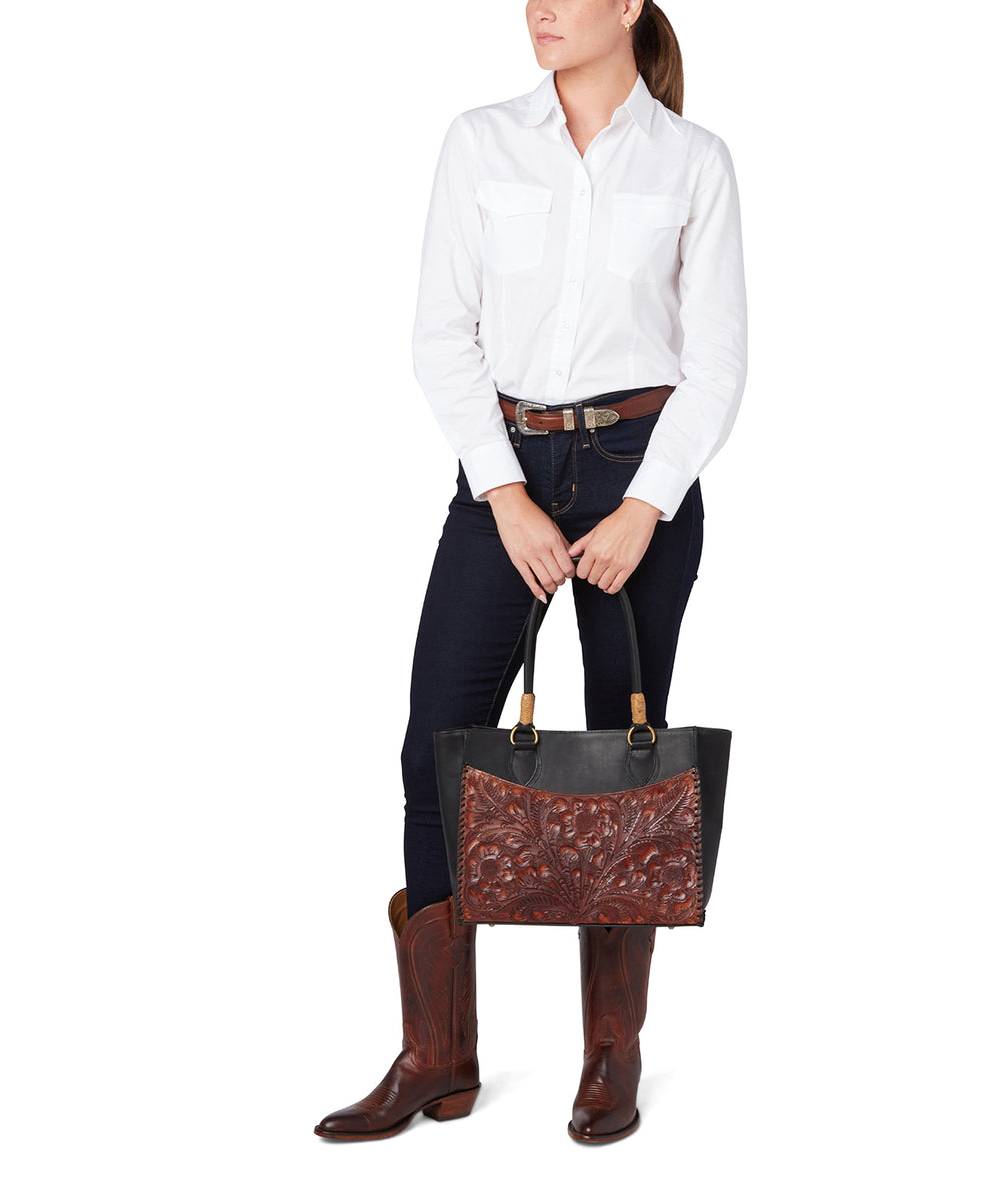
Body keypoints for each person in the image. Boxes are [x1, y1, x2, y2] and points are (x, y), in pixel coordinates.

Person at [314, 0, 746, 1144]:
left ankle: (611, 1054)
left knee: (624, 766)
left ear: (630, 4)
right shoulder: (480, 140)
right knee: (435, 746)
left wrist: (645, 506)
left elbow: (716, 361)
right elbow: (440, 334)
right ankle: (436, 1056)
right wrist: (503, 494)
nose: (539, 7)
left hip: (640, 471)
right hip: (502, 468)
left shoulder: (695, 161)